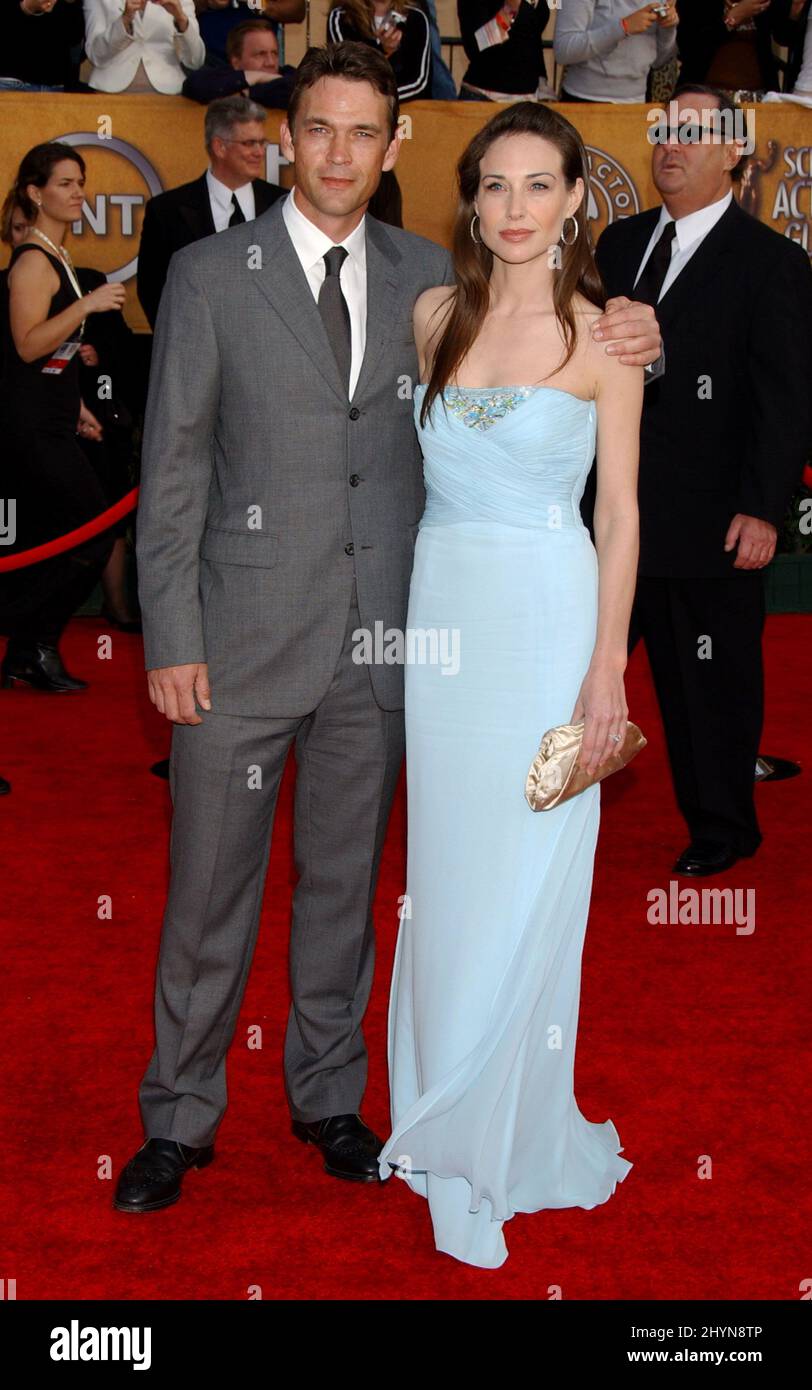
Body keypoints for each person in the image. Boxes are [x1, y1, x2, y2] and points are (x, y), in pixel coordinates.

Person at [112, 41, 662, 1216]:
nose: (339, 153)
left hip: (393, 649)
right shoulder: (211, 275)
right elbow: (170, 475)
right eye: (318, 129)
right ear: (284, 135)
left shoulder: (430, 282)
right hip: (240, 641)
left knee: (347, 889)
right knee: (208, 892)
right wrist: (168, 635)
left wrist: (642, 333)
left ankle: (327, 1095)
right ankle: (179, 1115)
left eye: (365, 132)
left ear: (394, 146)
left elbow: (566, 383)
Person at [375, 101, 642, 1269]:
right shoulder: (432, 313)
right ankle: (439, 1116)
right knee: (444, 869)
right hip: (444, 625)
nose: (516, 208)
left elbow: (621, 515)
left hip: (545, 616)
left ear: (576, 197)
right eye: (494, 186)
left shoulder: (610, 337)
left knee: (532, 871)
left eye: (539, 185)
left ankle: (503, 1134)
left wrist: (605, 672)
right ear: (470, 199)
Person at [591, 84, 812, 875]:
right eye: (664, 132)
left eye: (693, 133)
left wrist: (762, 509)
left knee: (706, 688)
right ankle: (554, 802)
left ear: (734, 154)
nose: (671, 147)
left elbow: (786, 401)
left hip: (712, 520)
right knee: (576, 666)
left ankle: (723, 827)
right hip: (610, 517)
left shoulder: (772, 264)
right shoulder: (618, 247)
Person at [0, 144, 126, 693]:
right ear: (36, 192)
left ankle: (30, 650)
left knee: (66, 536)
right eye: (66, 184)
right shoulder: (33, 260)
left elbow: (54, 353)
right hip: (28, 427)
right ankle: (29, 639)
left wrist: (77, 408)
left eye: (81, 182)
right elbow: (25, 347)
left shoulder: (58, 256)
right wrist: (88, 305)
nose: (79, 193)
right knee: (91, 532)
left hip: (51, 419)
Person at [136, 95, 285, 329]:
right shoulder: (166, 211)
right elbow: (153, 290)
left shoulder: (282, 204)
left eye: (262, 143)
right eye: (249, 143)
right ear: (219, 147)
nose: (260, 152)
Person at [555, 0, 679, 103]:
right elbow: (563, 51)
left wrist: (668, 28)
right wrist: (623, 27)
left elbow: (659, 61)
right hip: (584, 100)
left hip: (638, 101)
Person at [82, 0, 206, 93]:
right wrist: (125, 20)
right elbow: (95, 54)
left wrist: (180, 18)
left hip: (169, 92)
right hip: (110, 91)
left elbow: (195, 60)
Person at [327, 0, 433, 100]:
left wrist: (383, 102)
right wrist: (383, 50)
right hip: (356, 109)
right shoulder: (342, 17)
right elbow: (345, 73)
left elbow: (419, 83)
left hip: (406, 111)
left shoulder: (416, 17)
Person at [181, 18, 297, 106]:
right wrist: (257, 77)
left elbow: (299, 92)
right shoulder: (226, 76)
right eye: (261, 54)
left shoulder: (289, 75)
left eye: (274, 54)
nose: (271, 62)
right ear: (236, 62)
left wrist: (246, 93)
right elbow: (193, 85)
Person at [457, 0, 551, 102]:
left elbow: (534, 35)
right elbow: (473, 48)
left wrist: (542, 80)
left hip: (528, 97)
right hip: (485, 96)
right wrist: (511, 11)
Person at [1, 0, 85, 92]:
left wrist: (71, 4)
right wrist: (26, 7)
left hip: (54, 82)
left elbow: (75, 38)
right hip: (9, 79)